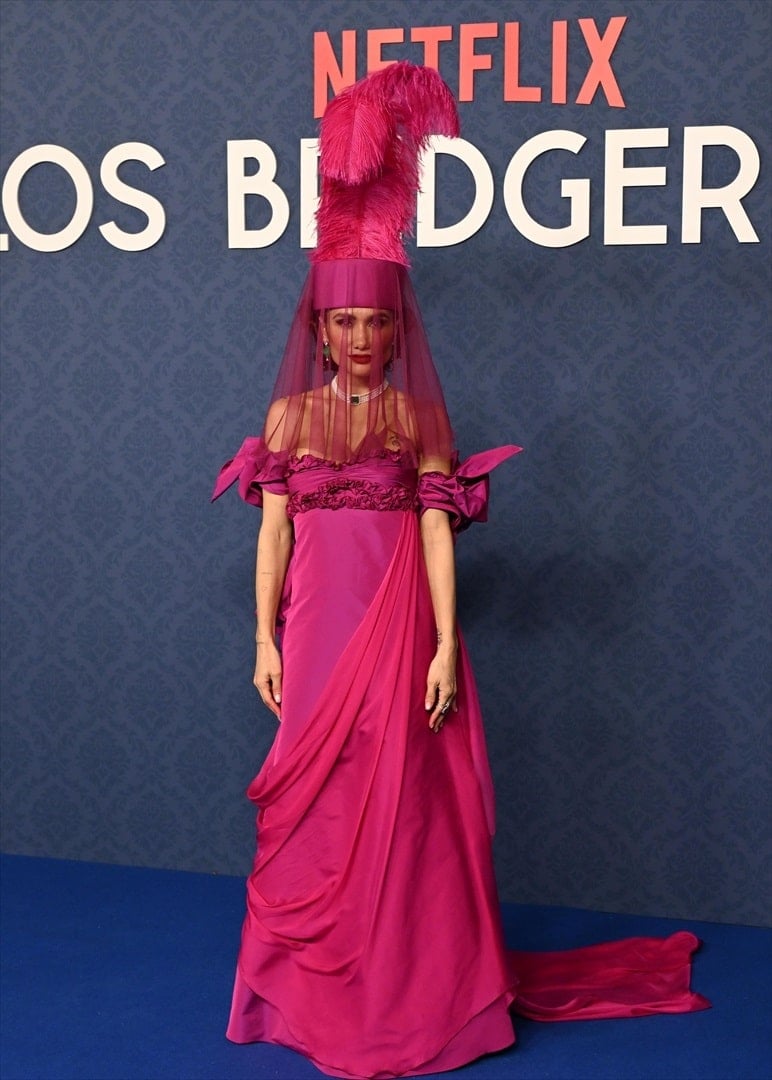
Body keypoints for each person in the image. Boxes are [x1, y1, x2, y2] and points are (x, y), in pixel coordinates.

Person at [213, 63, 708, 1080]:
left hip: (399, 630)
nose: (360, 338)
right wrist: (262, 637)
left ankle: (411, 993)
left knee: (406, 805)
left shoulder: (418, 417)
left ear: (397, 329)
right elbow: (273, 535)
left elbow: (437, 532)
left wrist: (445, 644)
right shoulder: (288, 418)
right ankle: (310, 1000)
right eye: (343, 322)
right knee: (318, 806)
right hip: (314, 632)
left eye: (375, 322)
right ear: (319, 329)